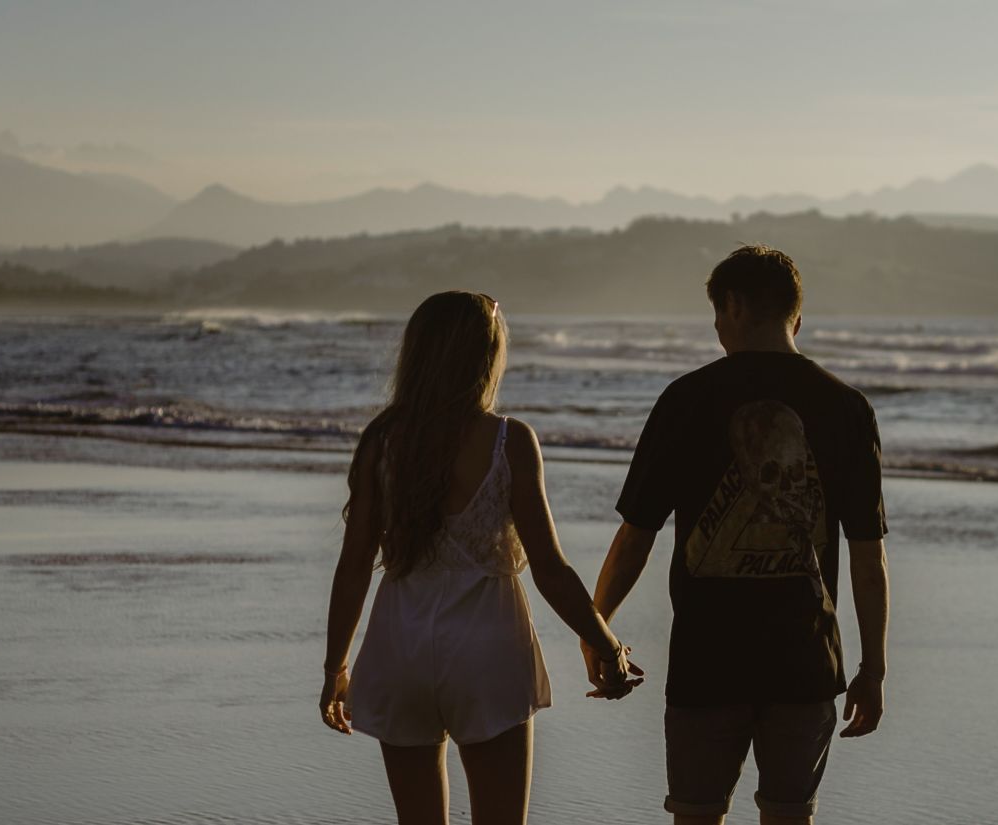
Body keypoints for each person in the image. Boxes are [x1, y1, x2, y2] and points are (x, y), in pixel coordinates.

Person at [588, 246, 893, 825]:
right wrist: (872, 670)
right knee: (790, 816)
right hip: (806, 661)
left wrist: (597, 630)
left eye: (716, 314)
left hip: (708, 661)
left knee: (696, 816)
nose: (715, 328)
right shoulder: (847, 409)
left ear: (732, 307)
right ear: (795, 319)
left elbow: (635, 536)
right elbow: (868, 556)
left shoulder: (686, 399)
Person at [319, 291, 644, 825]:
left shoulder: (382, 440)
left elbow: (353, 566)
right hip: (487, 646)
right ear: (486, 356)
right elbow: (550, 568)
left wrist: (336, 666)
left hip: (398, 644)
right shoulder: (508, 441)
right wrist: (606, 645)